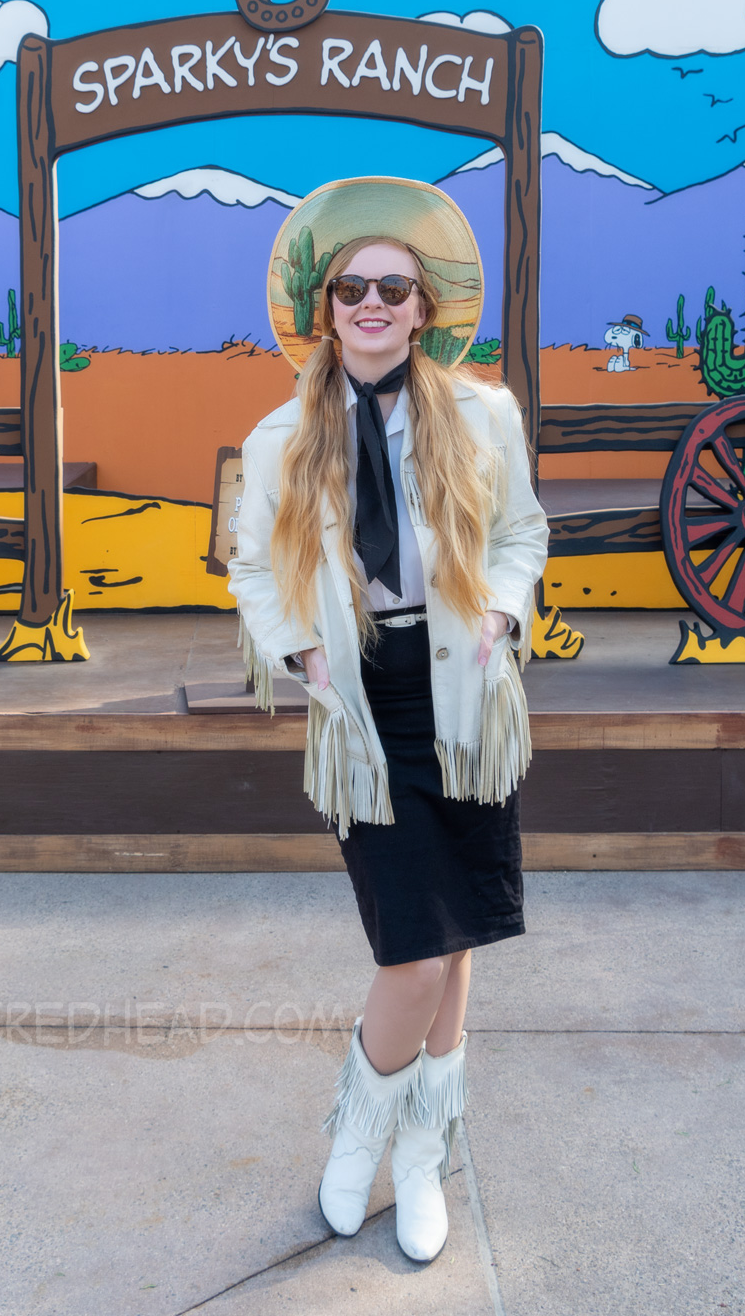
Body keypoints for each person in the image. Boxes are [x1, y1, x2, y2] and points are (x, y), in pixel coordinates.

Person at [226, 176, 549, 1265]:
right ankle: (354, 1135)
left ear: (423, 309)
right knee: (412, 949)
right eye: (351, 286)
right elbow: (249, 570)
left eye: (392, 287)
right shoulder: (280, 436)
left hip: (461, 687)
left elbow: (520, 534)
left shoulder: (480, 414)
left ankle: (418, 1156)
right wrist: (301, 649)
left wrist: (501, 615)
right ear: (326, 308)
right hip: (358, 698)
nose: (370, 302)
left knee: (455, 942)